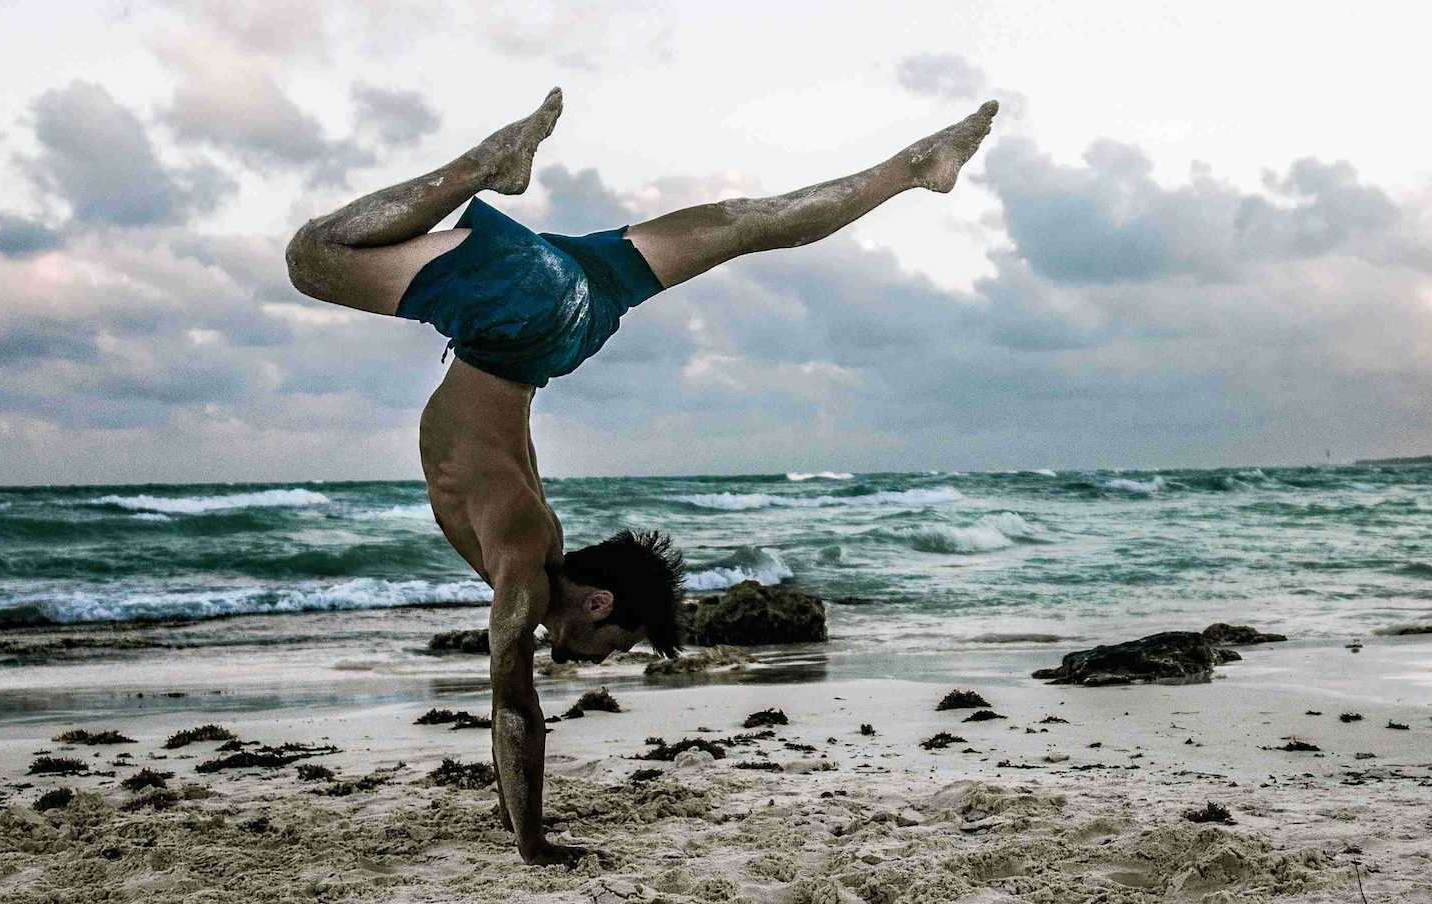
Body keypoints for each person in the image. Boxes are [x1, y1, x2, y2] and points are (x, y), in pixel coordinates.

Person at [281, 88, 997, 865]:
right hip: (526, 316)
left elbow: (522, 677)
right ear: (597, 600)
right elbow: (513, 707)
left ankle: (914, 166)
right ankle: (484, 165)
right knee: (311, 259)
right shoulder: (521, 556)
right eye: (613, 643)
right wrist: (533, 844)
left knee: (746, 224)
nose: (597, 662)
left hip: (572, 322)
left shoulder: (530, 532)